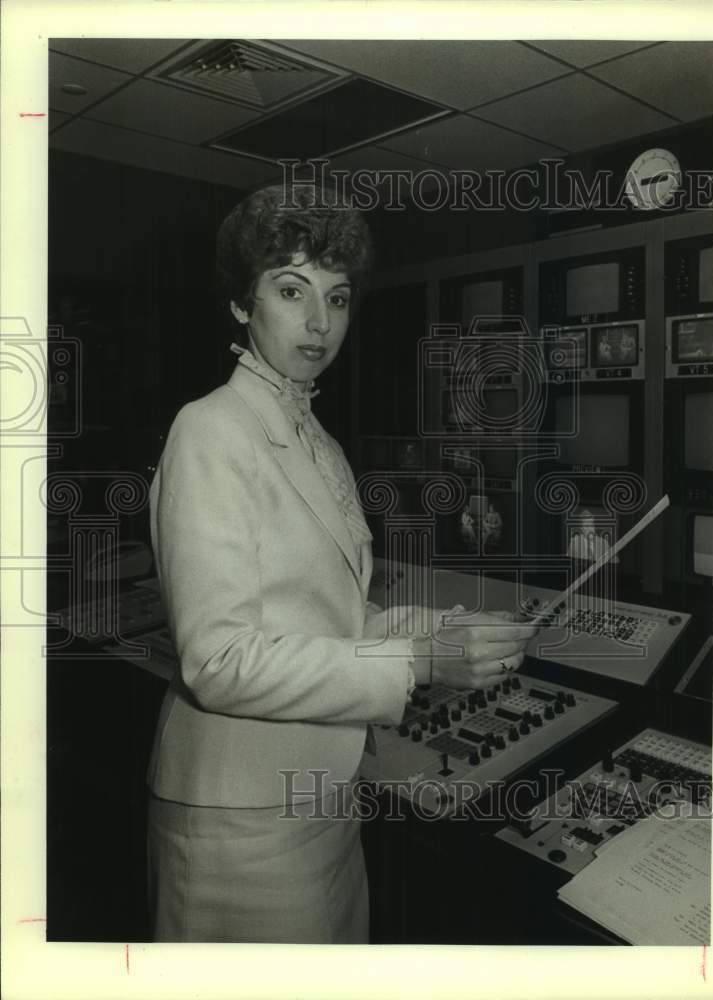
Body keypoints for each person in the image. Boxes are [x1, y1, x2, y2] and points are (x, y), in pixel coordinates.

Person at [145, 183, 536, 944]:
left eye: (338, 297)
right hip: (242, 823)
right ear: (240, 304)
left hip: (325, 798)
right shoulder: (211, 431)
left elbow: (336, 618)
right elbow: (218, 660)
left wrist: (447, 627)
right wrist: (419, 660)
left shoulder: (316, 440)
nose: (319, 322)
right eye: (291, 291)